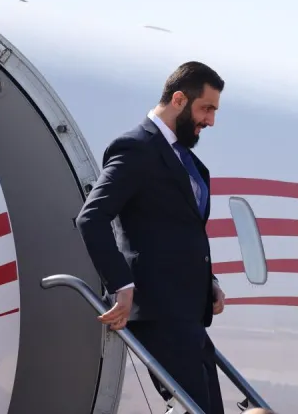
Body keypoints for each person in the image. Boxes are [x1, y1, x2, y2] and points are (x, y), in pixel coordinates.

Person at [75, 61, 226, 414]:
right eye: (206, 109)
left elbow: (181, 231)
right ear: (179, 100)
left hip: (188, 315)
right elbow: (91, 217)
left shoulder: (187, 161)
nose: (210, 121)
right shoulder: (136, 148)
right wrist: (121, 285)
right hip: (158, 311)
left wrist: (211, 281)